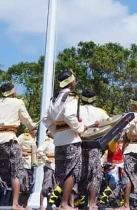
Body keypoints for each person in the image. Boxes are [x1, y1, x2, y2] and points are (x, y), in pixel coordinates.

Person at [0, 82, 38, 210]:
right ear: (13, 91)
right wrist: (32, 126)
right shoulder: (18, 102)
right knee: (15, 171)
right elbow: (26, 120)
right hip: (9, 138)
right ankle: (15, 204)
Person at [43, 71, 89, 210]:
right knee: (72, 171)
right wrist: (80, 128)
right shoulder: (71, 96)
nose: (75, 83)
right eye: (74, 81)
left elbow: (46, 118)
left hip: (58, 139)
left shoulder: (54, 98)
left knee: (62, 172)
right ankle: (64, 204)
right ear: (70, 82)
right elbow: (70, 116)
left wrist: (55, 131)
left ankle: (63, 203)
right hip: (70, 137)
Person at [115, 99, 137, 210]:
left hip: (131, 148)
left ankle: (126, 205)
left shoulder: (133, 116)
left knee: (128, 177)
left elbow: (124, 127)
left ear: (135, 106)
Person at [77, 90, 110, 210]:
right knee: (94, 175)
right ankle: (92, 204)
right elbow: (110, 123)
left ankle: (74, 203)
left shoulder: (77, 110)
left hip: (78, 144)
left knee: (78, 174)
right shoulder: (100, 112)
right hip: (94, 145)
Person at [17, 128, 38, 206]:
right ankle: (18, 204)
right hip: (24, 163)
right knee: (22, 184)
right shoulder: (23, 136)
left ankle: (25, 205)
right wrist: (21, 152)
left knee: (30, 184)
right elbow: (15, 144)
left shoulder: (35, 138)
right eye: (33, 128)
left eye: (36, 128)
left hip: (32, 163)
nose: (36, 129)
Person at [37, 131, 56, 210]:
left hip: (55, 166)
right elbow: (39, 150)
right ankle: (41, 205)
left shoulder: (56, 141)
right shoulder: (48, 141)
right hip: (49, 166)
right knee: (45, 187)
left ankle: (49, 205)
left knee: (53, 187)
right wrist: (46, 159)